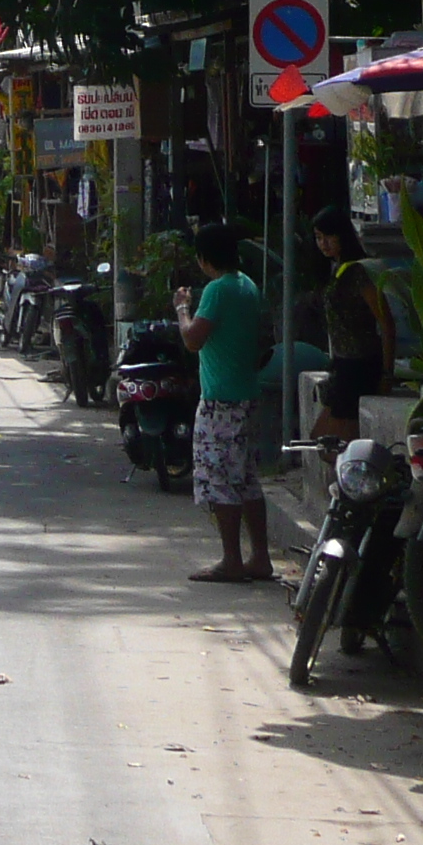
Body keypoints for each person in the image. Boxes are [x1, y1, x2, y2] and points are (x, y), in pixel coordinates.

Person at [175, 222, 272, 583]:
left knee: (219, 478)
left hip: (221, 399)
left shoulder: (217, 290)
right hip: (246, 392)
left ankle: (231, 559)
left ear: (204, 258)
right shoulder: (247, 285)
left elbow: (193, 340)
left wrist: (183, 309)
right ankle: (259, 556)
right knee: (246, 477)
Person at [311, 208, 395, 442]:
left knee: (333, 442)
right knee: (326, 441)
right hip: (342, 363)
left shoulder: (358, 271)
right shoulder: (335, 270)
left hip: (360, 365)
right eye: (318, 238)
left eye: (329, 236)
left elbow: (386, 322)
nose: (323, 244)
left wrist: (387, 373)